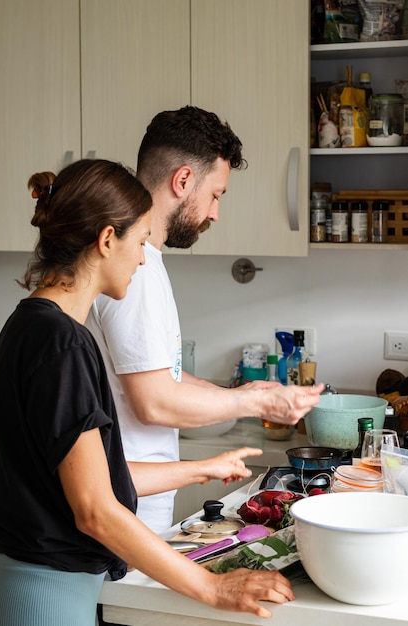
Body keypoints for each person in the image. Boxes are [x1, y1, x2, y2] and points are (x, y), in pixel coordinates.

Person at [0, 158, 296, 625]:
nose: (140, 258)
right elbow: (95, 510)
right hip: (45, 592)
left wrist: (202, 469)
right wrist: (211, 587)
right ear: (107, 240)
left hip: (34, 580)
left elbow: (89, 476)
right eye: (138, 242)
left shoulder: (30, 324)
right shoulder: (62, 344)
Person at [86, 106, 324, 533]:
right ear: (182, 181)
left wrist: (246, 391)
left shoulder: (144, 260)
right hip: (124, 511)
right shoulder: (132, 269)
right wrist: (256, 403)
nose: (215, 213)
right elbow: (154, 399)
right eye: (215, 195)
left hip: (135, 501)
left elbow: (161, 374)